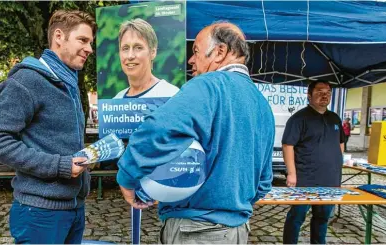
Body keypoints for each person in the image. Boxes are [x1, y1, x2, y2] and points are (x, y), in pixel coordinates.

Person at [116, 22, 275, 244]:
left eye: (196, 52)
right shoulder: (262, 104)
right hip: (237, 232)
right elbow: (264, 183)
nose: (191, 60)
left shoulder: (207, 85)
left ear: (219, 52)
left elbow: (157, 130)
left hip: (196, 232)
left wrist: (126, 177)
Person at [0, 10, 96, 244]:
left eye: (91, 42)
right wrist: (58, 165)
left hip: (73, 208)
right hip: (39, 213)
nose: (90, 49)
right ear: (59, 36)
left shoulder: (69, 83)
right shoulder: (27, 81)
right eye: (83, 40)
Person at [281, 80, 345, 244]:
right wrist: (292, 174)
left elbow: (340, 143)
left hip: (330, 180)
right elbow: (288, 145)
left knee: (322, 218)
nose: (325, 95)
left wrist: (337, 164)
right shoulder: (299, 118)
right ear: (309, 95)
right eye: (320, 91)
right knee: (297, 217)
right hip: (305, 179)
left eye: (328, 92)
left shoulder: (335, 118)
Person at [113, 18, 179, 99]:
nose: (130, 56)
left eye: (138, 47)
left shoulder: (171, 95)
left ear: (153, 52)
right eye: (125, 48)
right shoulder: (116, 100)